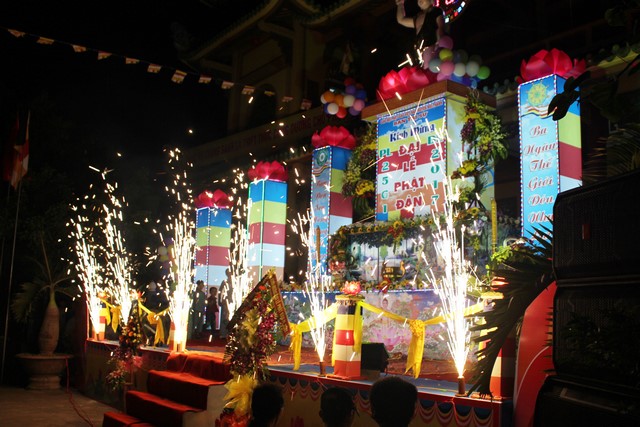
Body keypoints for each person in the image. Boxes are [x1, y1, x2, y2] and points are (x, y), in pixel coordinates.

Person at [395, 0, 445, 66]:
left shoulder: (436, 11)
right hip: (420, 49)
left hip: (432, 46)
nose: (420, 1)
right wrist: (400, 4)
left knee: (431, 65)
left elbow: (440, 27)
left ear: (432, 1)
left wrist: (439, 44)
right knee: (424, 66)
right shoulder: (417, 18)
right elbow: (401, 20)